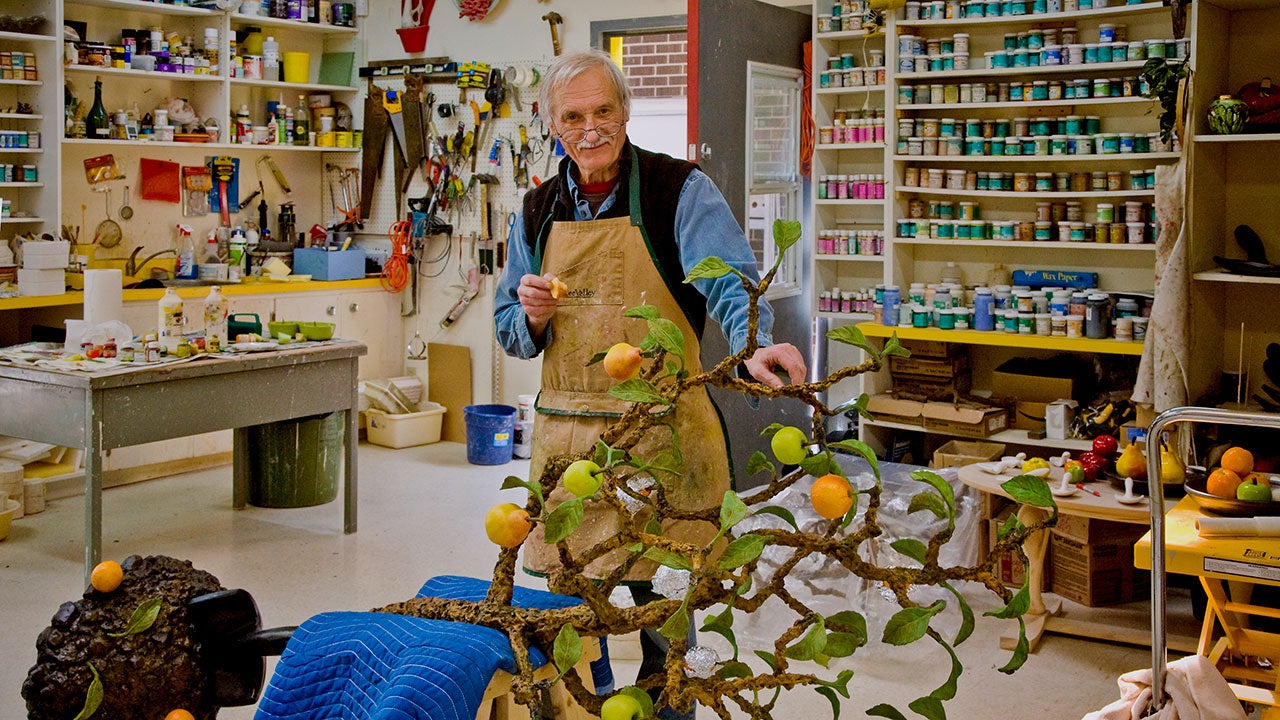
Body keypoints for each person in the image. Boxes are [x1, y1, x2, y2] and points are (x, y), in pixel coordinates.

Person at [493, 48, 806, 715]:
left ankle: (672, 707)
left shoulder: (679, 190)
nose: (591, 128)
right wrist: (529, 315)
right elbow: (507, 324)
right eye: (573, 116)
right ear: (553, 125)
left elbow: (727, 279)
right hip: (570, 452)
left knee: (667, 603)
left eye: (603, 110)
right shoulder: (536, 210)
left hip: (665, 444)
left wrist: (751, 345)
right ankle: (590, 703)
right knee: (567, 608)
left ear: (625, 112)